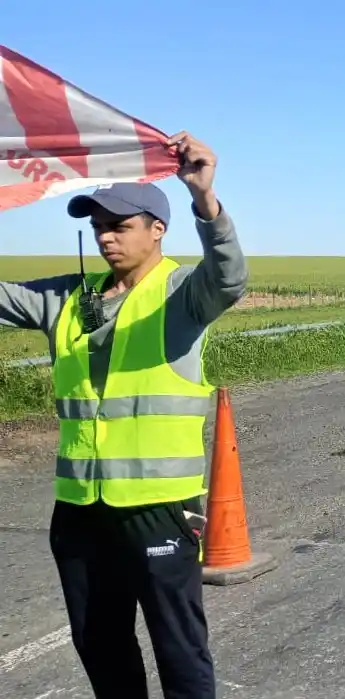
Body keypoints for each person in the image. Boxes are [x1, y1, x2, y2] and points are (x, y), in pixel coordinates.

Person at [0, 132, 246, 698]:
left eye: (120, 225)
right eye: (98, 227)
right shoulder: (66, 299)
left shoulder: (182, 291)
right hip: (81, 507)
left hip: (158, 507)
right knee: (99, 642)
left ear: (157, 229)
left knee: (177, 643)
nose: (106, 236)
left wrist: (204, 199)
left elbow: (229, 277)